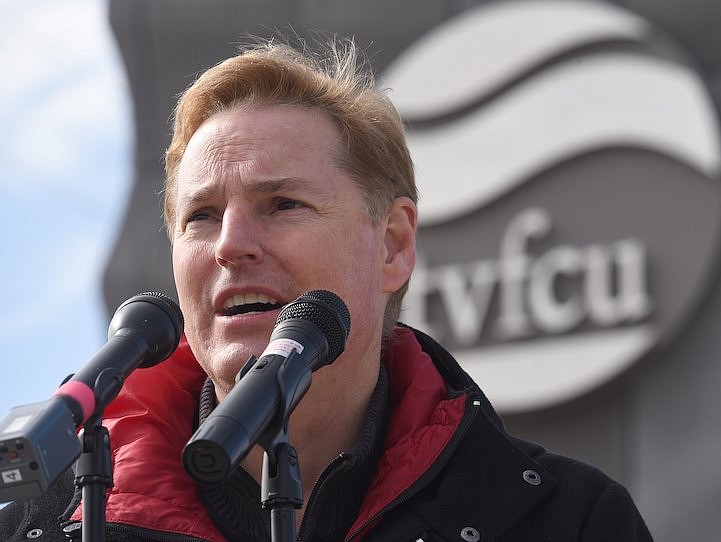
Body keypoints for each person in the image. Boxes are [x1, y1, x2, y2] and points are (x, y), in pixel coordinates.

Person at [0, 38, 653, 541]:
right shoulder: (38, 520)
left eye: (281, 203)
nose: (230, 244)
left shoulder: (567, 519)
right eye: (201, 216)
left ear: (393, 243)